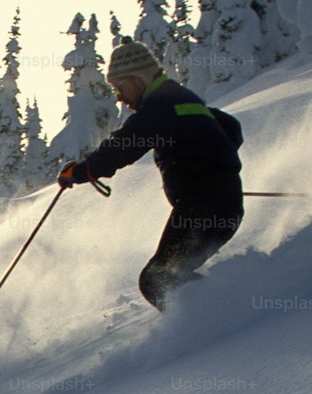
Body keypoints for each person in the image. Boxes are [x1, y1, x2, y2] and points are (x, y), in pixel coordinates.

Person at [58, 39, 245, 311]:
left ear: (137, 79)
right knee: (165, 276)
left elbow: (124, 145)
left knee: (158, 278)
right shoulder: (181, 98)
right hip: (218, 202)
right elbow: (231, 128)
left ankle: (225, 317)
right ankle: (227, 311)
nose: (120, 97)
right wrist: (214, 167)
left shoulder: (160, 106)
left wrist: (83, 170)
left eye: (120, 87)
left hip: (206, 204)